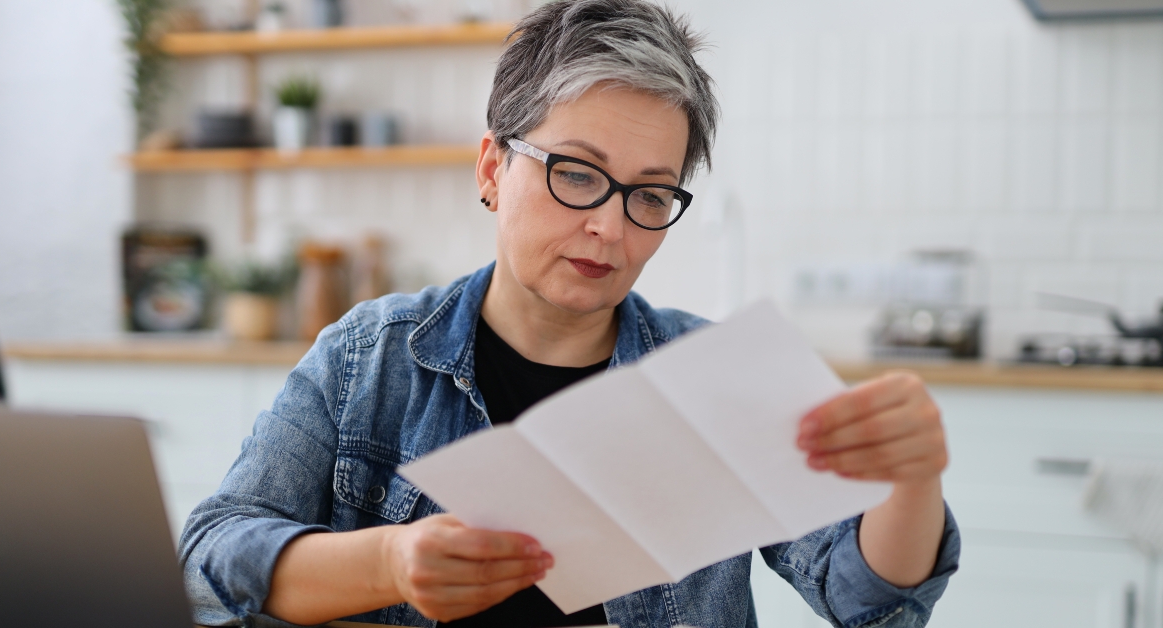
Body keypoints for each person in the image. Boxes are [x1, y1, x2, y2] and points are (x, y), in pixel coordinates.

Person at [178, 1, 960, 626]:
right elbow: (209, 564)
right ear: (492, 166)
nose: (611, 228)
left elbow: (868, 602)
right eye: (578, 175)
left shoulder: (716, 380)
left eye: (650, 194)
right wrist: (387, 564)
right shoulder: (367, 360)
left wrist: (912, 483)